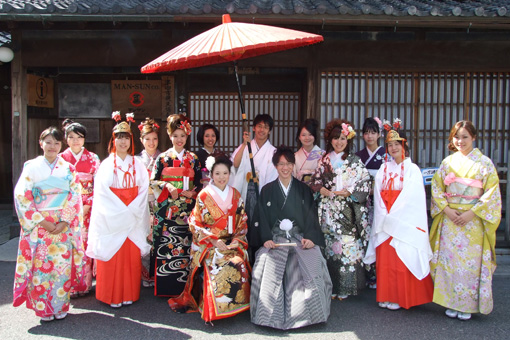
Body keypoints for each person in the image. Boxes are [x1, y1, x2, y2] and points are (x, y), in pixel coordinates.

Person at [250, 146, 332, 330]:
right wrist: (265, 238)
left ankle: (311, 313)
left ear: (293, 166)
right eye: (281, 164)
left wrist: (310, 237)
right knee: (265, 261)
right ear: (275, 166)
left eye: (288, 164)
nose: (285, 168)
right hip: (275, 237)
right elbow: (261, 216)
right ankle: (268, 315)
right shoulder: (267, 190)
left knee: (313, 260)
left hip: (298, 237)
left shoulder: (303, 189)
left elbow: (311, 215)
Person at [429, 120, 501, 321]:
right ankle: (451, 302)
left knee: (470, 265)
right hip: (450, 219)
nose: (460, 141)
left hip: (473, 221)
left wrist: (473, 212)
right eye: (456, 137)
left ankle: (468, 305)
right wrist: (446, 209)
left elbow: (492, 193)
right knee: (449, 262)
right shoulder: (447, 163)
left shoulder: (484, 163)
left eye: (465, 137)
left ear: (474, 138)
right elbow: (437, 188)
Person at [13, 126, 86, 321]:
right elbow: (22, 196)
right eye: (48, 142)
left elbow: (74, 195)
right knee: (41, 267)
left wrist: (64, 221)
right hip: (40, 225)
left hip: (62, 224)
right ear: (41, 143)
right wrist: (42, 221)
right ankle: (43, 307)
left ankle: (60, 305)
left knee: (60, 267)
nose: (52, 146)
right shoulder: (31, 167)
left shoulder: (68, 168)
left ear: (61, 145)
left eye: (56, 143)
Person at [168, 155, 250, 323]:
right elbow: (194, 222)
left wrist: (236, 241)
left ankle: (237, 308)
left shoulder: (235, 195)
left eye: (225, 173)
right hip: (209, 244)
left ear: (229, 174)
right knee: (216, 265)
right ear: (212, 175)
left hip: (231, 243)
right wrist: (213, 240)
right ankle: (213, 309)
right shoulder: (204, 196)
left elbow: (242, 221)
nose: (221, 177)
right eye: (218, 173)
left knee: (238, 262)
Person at [364, 118, 433, 311]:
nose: (393, 148)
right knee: (386, 261)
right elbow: (377, 194)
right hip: (385, 219)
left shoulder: (413, 169)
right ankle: (386, 295)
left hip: (403, 220)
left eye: (397, 144)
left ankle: (401, 297)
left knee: (402, 258)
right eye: (390, 145)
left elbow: (413, 198)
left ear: (404, 145)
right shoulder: (384, 168)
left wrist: (393, 216)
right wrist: (385, 215)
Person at [87, 113, 150, 308]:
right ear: (113, 140)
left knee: (130, 258)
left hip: (132, 216)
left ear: (131, 141)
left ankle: (129, 293)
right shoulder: (106, 165)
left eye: (126, 138)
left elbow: (143, 190)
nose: (122, 142)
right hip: (112, 217)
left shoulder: (137, 164)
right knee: (112, 255)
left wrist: (131, 210)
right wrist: (122, 210)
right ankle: (111, 295)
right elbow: (102, 193)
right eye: (119, 138)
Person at [310, 119, 371, 300]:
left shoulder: (354, 161)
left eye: (343, 138)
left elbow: (365, 182)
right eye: (335, 138)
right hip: (328, 209)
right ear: (330, 140)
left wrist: (350, 191)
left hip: (347, 209)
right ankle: (332, 286)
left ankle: (347, 286)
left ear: (348, 139)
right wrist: (320, 188)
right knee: (330, 247)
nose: (339, 142)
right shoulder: (324, 160)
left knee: (347, 246)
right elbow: (315, 180)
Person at [151, 114, 202, 296]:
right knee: (167, 247)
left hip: (187, 210)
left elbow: (200, 184)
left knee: (186, 247)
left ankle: (185, 288)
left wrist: (194, 192)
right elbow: (153, 182)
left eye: (182, 135)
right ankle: (166, 287)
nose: (179, 139)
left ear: (187, 136)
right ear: (169, 135)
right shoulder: (162, 159)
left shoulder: (193, 158)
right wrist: (167, 184)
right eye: (175, 135)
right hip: (168, 211)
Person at [60, 119, 101, 297]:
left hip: (88, 210)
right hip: (66, 209)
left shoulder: (93, 158)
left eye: (79, 137)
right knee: (68, 246)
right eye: (71, 137)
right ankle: (69, 284)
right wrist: (71, 206)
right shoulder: (61, 159)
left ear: (85, 139)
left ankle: (84, 284)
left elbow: (98, 185)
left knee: (85, 244)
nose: (76, 141)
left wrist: (86, 205)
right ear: (66, 139)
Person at [231, 114, 278, 224]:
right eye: (259, 126)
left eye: (266, 127)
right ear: (254, 128)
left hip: (262, 192)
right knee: (243, 222)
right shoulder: (246, 147)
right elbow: (235, 165)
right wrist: (244, 145)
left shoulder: (273, 152)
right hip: (245, 190)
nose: (262, 130)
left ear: (270, 131)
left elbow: (273, 177)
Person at [355, 117, 385, 289]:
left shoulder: (386, 155)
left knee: (379, 235)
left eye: (373, 132)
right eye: (366, 132)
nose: (369, 136)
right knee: (364, 236)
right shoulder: (359, 156)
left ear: (379, 134)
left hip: (380, 202)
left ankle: (379, 272)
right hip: (363, 203)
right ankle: (366, 273)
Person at [136, 117, 161, 288]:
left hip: (160, 202)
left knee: (159, 237)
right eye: (147, 139)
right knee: (144, 236)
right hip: (142, 203)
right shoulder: (136, 160)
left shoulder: (164, 157)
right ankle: (145, 274)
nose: (151, 143)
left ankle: (159, 274)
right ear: (141, 140)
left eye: (155, 139)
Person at [293, 118, 324, 183]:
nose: (307, 138)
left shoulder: (323, 155)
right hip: (300, 190)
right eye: (303, 135)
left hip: (317, 191)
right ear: (299, 137)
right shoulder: (294, 157)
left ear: (314, 136)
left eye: (310, 134)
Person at [195, 123, 223, 187]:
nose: (210, 139)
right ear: (202, 137)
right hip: (203, 189)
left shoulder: (220, 155)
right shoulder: (196, 156)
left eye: (213, 136)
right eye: (207, 136)